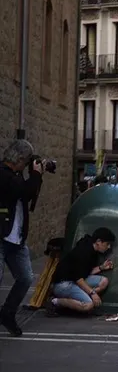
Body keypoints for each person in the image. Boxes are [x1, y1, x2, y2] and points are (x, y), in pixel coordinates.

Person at [0, 140, 44, 336]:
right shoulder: (3, 174)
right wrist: (35, 174)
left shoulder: (16, 176)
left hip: (16, 239)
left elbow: (28, 193)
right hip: (1, 236)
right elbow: (22, 190)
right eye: (26, 162)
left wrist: (37, 176)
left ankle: (7, 313)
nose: (26, 166)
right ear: (18, 159)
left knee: (26, 278)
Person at [45, 228, 115, 315]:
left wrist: (101, 268)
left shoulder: (92, 250)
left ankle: (82, 296)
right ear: (98, 241)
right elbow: (78, 279)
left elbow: (84, 272)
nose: (109, 247)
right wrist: (92, 293)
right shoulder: (83, 252)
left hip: (75, 280)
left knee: (104, 281)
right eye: (107, 244)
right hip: (63, 284)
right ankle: (54, 302)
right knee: (88, 305)